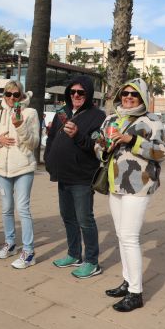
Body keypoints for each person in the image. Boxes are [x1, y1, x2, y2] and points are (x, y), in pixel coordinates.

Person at [94, 78, 165, 312]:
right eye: (125, 93)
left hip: (138, 186)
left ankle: (136, 293)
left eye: (133, 94)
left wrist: (132, 140)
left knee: (129, 236)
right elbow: (98, 147)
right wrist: (103, 147)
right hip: (115, 184)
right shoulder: (111, 119)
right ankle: (128, 282)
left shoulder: (151, 121)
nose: (128, 97)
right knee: (120, 235)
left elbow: (161, 152)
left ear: (142, 97)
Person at [44, 75, 106, 278]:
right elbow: (52, 138)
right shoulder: (62, 112)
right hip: (63, 174)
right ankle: (73, 254)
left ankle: (92, 261)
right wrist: (49, 160)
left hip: (82, 176)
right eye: (73, 92)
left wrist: (77, 135)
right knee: (68, 217)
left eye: (81, 92)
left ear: (88, 94)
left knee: (85, 219)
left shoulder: (98, 116)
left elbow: (96, 146)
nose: (76, 95)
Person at [0, 80, 40, 269]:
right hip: (1, 169)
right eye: (8, 94)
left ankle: (29, 252)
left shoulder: (30, 113)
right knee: (6, 208)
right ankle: (10, 244)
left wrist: (19, 126)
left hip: (23, 168)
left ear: (22, 95)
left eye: (15, 94)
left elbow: (34, 143)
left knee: (23, 208)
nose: (11, 98)